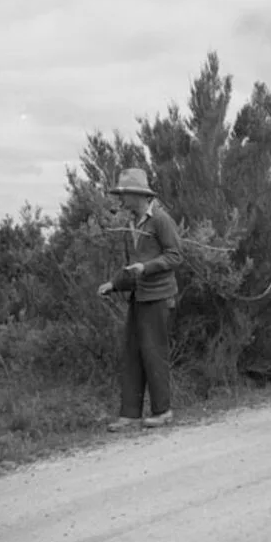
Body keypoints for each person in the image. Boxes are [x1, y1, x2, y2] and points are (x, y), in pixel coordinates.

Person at [98, 168, 183, 431]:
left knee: (154, 352)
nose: (121, 200)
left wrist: (147, 268)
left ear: (138, 195)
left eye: (124, 195)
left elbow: (175, 255)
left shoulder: (160, 220)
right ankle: (130, 414)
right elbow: (134, 264)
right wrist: (114, 284)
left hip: (158, 297)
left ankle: (163, 411)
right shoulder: (134, 223)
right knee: (132, 353)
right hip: (139, 296)